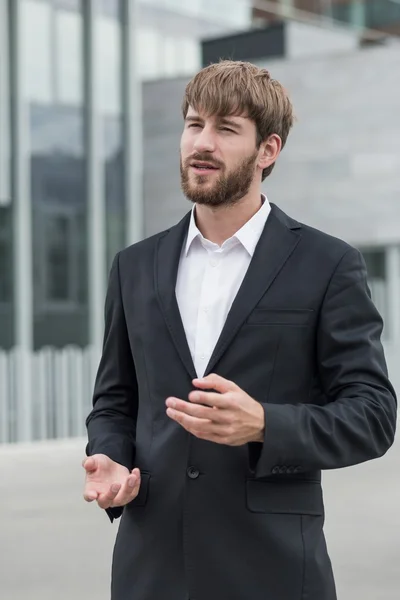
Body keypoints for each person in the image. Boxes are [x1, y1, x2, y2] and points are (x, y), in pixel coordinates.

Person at [82, 60, 397, 600]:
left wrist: (264, 425)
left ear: (267, 150)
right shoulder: (133, 266)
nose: (201, 142)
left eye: (226, 129)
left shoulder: (326, 263)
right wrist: (109, 455)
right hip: (151, 570)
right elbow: (115, 400)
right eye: (193, 123)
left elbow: (372, 415)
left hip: (271, 569)